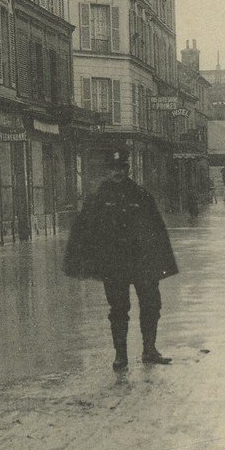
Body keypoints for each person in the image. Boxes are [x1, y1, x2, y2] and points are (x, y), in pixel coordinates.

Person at [63, 150, 177, 370]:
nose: (117, 173)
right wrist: (82, 263)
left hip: (142, 263)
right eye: (113, 169)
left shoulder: (141, 196)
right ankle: (121, 355)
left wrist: (159, 263)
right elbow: (83, 232)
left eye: (121, 168)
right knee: (118, 308)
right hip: (114, 265)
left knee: (151, 304)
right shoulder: (98, 199)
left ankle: (149, 349)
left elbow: (157, 230)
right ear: (107, 171)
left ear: (128, 169)